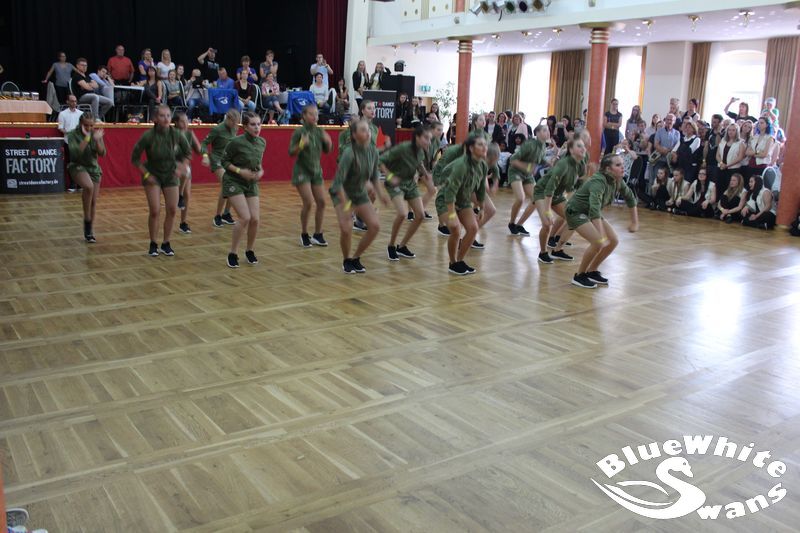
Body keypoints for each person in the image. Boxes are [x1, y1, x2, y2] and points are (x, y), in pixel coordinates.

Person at [565, 154, 639, 289]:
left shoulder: (617, 180)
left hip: (591, 213)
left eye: (622, 164)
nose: (623, 167)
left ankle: (592, 271)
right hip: (576, 212)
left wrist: (635, 222)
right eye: (618, 165)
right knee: (598, 242)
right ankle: (579, 276)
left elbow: (630, 198)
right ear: (608, 169)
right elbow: (594, 209)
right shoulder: (598, 182)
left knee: (614, 240)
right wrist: (600, 234)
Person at [330, 119, 390, 274]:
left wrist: (381, 195)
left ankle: (356, 258)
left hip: (358, 192)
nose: (368, 133)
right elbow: (339, 182)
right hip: (341, 192)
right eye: (363, 130)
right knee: (346, 228)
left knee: (374, 226)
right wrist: (347, 206)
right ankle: (346, 260)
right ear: (354, 135)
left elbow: (374, 177)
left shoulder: (373, 151)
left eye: (368, 130)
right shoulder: (349, 153)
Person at [131, 105, 192, 257]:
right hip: (152, 175)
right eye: (162, 116)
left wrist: (182, 167)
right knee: (155, 210)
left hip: (170, 175)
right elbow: (135, 159)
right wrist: (146, 175)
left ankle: (166, 243)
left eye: (168, 116)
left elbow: (188, 153)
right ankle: (153, 243)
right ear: (155, 119)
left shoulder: (176, 134)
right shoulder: (148, 136)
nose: (166, 119)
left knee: (172, 209)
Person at [436, 135, 489, 275]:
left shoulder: (483, 165)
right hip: (446, 200)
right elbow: (450, 191)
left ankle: (459, 261)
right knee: (455, 229)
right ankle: (453, 263)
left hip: (463, 201)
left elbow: (481, 189)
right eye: (480, 144)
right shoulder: (461, 165)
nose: (484, 147)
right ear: (471, 148)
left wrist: (482, 208)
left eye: (485, 144)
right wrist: (452, 214)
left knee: (473, 228)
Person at [380, 125, 432, 261]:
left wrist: (425, 173)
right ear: (417, 137)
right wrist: (390, 177)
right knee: (402, 213)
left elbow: (419, 163)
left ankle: (402, 246)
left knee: (420, 215)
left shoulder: (421, 151)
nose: (429, 141)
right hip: (395, 184)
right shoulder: (403, 148)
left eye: (430, 139)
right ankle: (391, 245)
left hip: (410, 183)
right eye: (426, 138)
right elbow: (381, 161)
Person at [221, 111, 266, 267]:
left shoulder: (262, 142)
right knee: (245, 217)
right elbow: (224, 162)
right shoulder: (235, 142)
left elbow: (258, 163)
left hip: (250, 183)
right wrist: (240, 171)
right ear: (245, 127)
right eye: (253, 125)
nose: (257, 127)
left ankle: (249, 250)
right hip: (233, 180)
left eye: (259, 124)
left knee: (255, 219)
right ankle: (232, 253)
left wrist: (260, 172)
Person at [533, 138, 586, 264]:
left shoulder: (580, 164)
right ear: (571, 150)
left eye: (583, 146)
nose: (583, 148)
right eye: (579, 146)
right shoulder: (563, 164)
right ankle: (543, 253)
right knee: (547, 224)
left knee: (574, 218)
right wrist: (547, 211)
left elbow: (576, 185)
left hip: (557, 194)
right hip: (542, 192)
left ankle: (557, 250)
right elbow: (549, 188)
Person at [289, 104, 333, 247]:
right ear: (304, 116)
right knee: (308, 202)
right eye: (311, 114)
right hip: (302, 171)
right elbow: (291, 152)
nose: (315, 117)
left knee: (322, 202)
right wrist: (302, 144)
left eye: (316, 114)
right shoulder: (299, 132)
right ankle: (304, 233)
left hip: (316, 171)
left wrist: (328, 142)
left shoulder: (320, 131)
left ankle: (318, 234)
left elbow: (327, 150)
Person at [67, 113, 105, 242]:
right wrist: (88, 138)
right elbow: (76, 153)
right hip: (77, 166)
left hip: (93, 168)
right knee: (88, 187)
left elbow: (102, 153)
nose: (89, 128)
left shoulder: (96, 134)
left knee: (93, 201)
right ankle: (87, 221)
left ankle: (89, 231)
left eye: (91, 125)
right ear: (80, 124)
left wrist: (98, 140)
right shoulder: (72, 134)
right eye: (86, 125)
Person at [507, 125, 551, 236]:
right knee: (520, 198)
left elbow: (540, 159)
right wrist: (527, 168)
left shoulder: (543, 146)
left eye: (548, 130)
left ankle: (519, 225)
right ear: (537, 133)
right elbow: (513, 160)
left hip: (527, 175)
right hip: (515, 172)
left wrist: (549, 163)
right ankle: (512, 223)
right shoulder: (530, 144)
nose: (547, 132)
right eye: (544, 130)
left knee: (536, 199)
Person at [201, 109, 241, 228]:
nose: (235, 125)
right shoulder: (217, 129)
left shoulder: (234, 128)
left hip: (228, 160)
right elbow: (204, 143)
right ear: (228, 119)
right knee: (226, 183)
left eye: (237, 123)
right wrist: (205, 156)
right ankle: (217, 216)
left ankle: (226, 214)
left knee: (234, 185)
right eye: (233, 122)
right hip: (216, 160)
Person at [173, 111, 202, 234]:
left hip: (184, 167)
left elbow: (199, 150)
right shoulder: (171, 134)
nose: (185, 124)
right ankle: (177, 197)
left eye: (187, 121)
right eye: (182, 121)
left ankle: (183, 223)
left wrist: (205, 152)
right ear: (175, 122)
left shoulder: (190, 134)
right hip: (171, 166)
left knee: (187, 195)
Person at [716, 123, 745, 194]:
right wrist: (721, 163)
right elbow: (717, 155)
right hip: (721, 168)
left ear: (737, 131)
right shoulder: (723, 140)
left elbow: (740, 157)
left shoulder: (741, 142)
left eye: (733, 130)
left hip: (733, 169)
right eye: (729, 130)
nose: (731, 132)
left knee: (730, 189)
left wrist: (727, 165)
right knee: (719, 188)